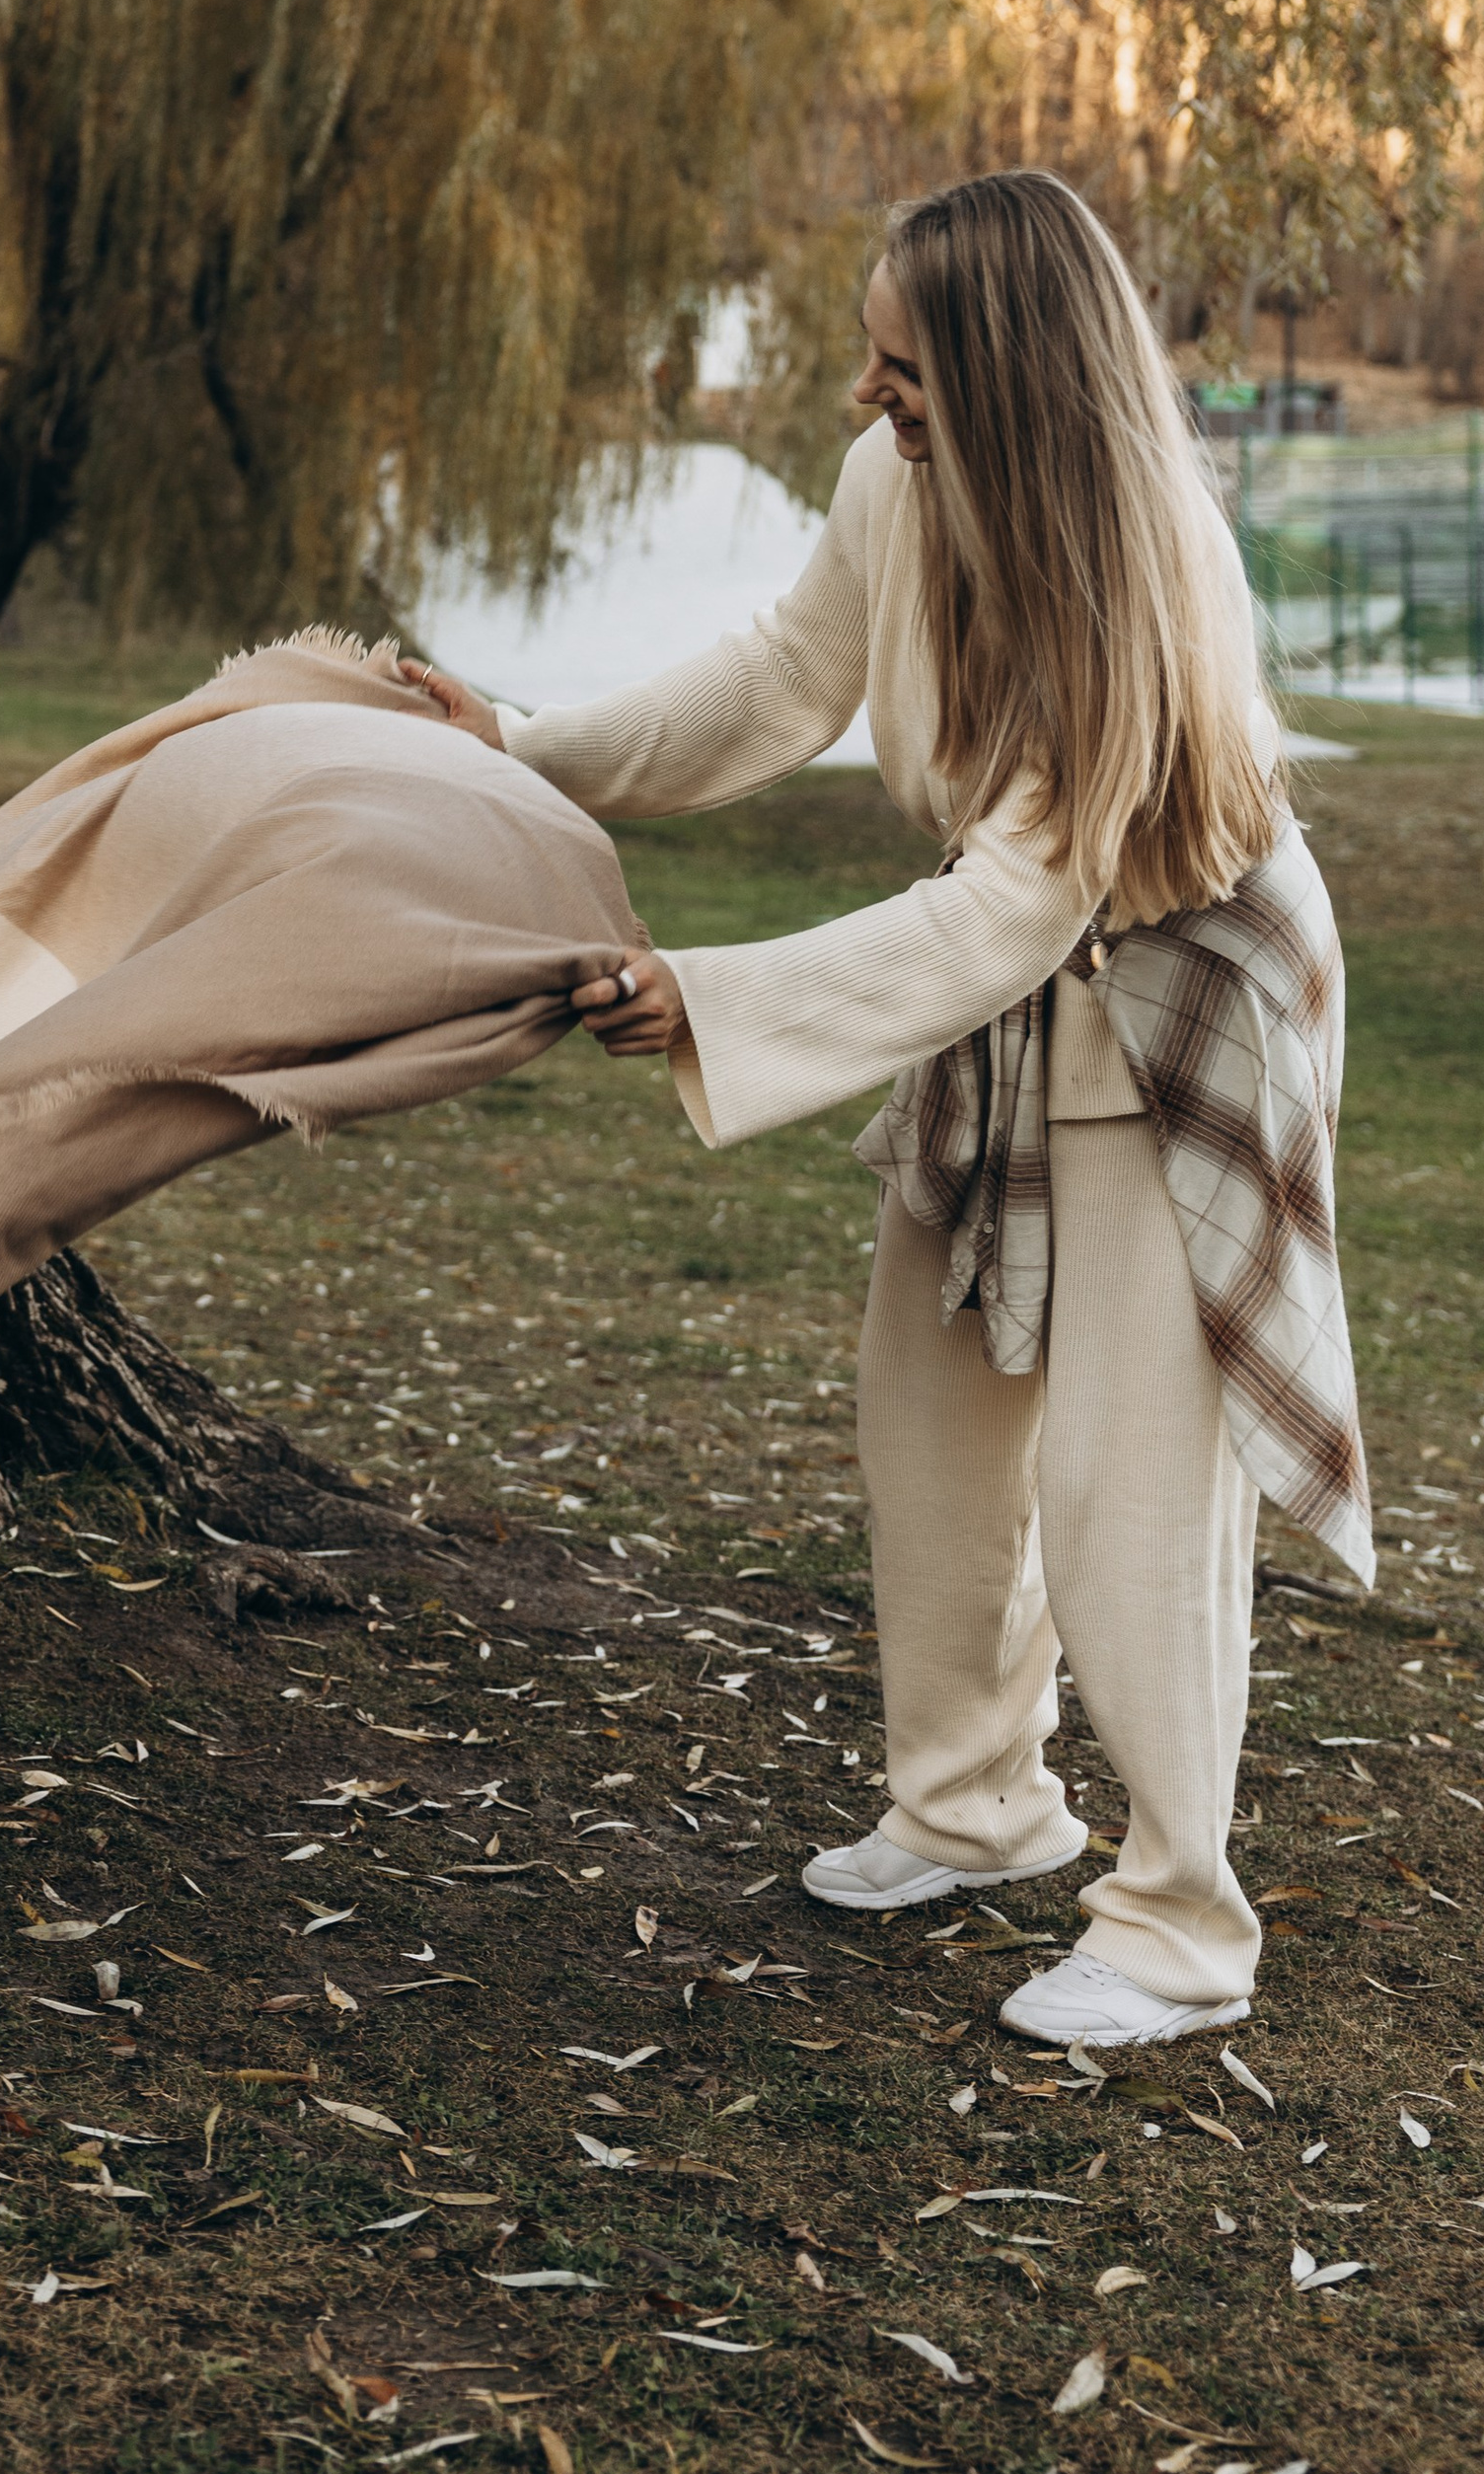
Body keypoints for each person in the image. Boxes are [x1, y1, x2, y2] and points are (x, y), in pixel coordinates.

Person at [406, 169, 1365, 2049]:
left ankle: (1181, 1929)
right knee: (929, 1413)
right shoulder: (898, 488)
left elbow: (1019, 897)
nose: (869, 396)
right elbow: (780, 679)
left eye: (902, 365)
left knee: (1123, 1479)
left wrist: (718, 997)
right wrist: (524, 751)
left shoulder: (1150, 560)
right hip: (1003, 995)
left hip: (1175, 1018)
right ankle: (974, 1807)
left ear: (1006, 376)